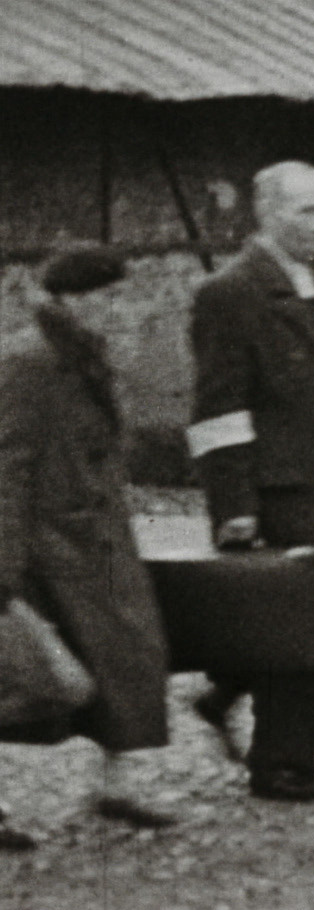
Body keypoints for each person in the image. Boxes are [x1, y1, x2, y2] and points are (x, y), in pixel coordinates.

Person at [187, 160, 314, 801]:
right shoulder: (229, 292)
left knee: (307, 622)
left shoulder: (310, 279)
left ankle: (228, 691)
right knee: (302, 628)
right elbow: (217, 411)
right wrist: (235, 507)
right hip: (276, 492)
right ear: (268, 214)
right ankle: (282, 766)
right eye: (308, 211)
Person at [0, 245, 174, 844]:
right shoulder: (28, 361)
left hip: (94, 543)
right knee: (26, 679)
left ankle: (115, 784)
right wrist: (3, 571)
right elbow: (7, 468)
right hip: (43, 550)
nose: (123, 308)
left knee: (128, 663)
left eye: (124, 295)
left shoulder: (86, 355)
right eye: (109, 296)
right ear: (70, 301)